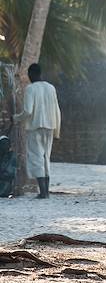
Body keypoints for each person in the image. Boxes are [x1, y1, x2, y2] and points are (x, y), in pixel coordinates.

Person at [14, 63, 61, 199]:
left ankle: (43, 193)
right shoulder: (51, 88)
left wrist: (16, 118)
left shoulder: (31, 89)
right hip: (50, 126)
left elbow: (28, 111)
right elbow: (57, 109)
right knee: (46, 157)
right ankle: (46, 192)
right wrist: (57, 129)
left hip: (35, 127)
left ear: (31, 75)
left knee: (36, 158)